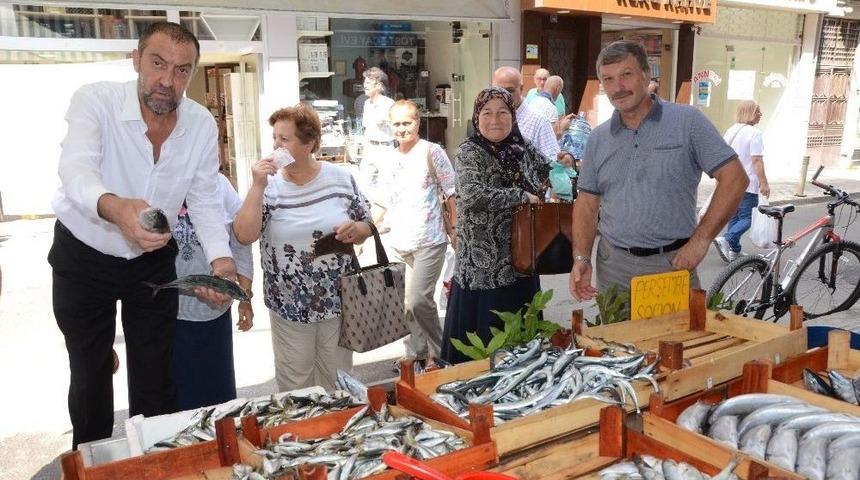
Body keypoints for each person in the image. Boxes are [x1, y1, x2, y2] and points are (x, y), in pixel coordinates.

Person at [49, 21, 236, 449]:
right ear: (136, 60)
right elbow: (75, 171)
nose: (167, 81)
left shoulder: (201, 124)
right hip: (83, 256)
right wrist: (115, 208)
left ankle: (155, 462)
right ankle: (91, 464)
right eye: (157, 63)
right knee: (91, 374)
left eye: (182, 70)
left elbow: (206, 195)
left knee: (155, 377)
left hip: (151, 259)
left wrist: (221, 262)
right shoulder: (96, 100)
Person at [569, 40, 748, 303]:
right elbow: (586, 203)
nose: (617, 87)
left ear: (646, 75)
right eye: (608, 79)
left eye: (626, 75)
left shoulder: (687, 122)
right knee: (616, 342)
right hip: (613, 267)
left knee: (671, 342)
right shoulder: (598, 138)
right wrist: (582, 258)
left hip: (671, 264)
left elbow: (735, 178)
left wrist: (701, 241)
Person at [233, 105, 372, 392]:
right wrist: (257, 186)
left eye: (285, 139)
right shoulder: (269, 186)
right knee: (296, 384)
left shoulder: (339, 178)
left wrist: (357, 230)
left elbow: (367, 224)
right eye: (275, 137)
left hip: (337, 299)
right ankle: (301, 433)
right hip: (289, 303)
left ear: (308, 144)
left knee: (339, 381)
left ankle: (339, 432)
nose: (276, 145)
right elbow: (244, 235)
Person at [441, 87, 549, 365]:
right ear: (477, 118)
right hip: (483, 268)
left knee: (520, 337)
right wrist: (522, 195)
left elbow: (547, 170)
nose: (495, 119)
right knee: (484, 340)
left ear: (513, 116)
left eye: (503, 112)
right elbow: (474, 195)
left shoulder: (521, 148)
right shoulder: (469, 151)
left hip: (521, 258)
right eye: (487, 113)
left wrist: (564, 164)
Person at [373, 100, 455, 367]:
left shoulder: (432, 152)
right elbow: (383, 201)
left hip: (430, 239)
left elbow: (452, 193)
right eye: (396, 124)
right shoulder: (389, 158)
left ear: (418, 122)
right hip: (399, 241)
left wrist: (456, 230)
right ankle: (416, 352)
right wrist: (366, 231)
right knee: (405, 304)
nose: (401, 128)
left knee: (419, 300)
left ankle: (439, 351)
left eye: (406, 122)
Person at [172, 172, 254, 411]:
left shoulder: (220, 185)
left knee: (218, 404)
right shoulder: (162, 181)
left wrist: (245, 298)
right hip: (168, 318)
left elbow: (240, 241)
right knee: (177, 404)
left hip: (214, 317)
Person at [713, 100, 770, 262]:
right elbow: (757, 160)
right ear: (750, 113)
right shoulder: (755, 133)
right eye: (758, 111)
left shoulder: (731, 130)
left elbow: (722, 158)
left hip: (729, 181)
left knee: (734, 216)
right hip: (748, 183)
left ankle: (734, 250)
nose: (761, 114)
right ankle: (727, 239)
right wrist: (764, 183)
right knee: (748, 217)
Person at [491, 66, 573, 165]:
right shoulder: (487, 120)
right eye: (498, 90)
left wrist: (563, 161)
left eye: (510, 90)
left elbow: (553, 166)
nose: (504, 95)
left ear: (521, 89)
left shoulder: (539, 122)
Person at [359, 66, 396, 212]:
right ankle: (378, 209)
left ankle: (384, 218)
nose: (364, 86)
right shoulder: (367, 103)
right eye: (365, 83)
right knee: (363, 182)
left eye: (368, 83)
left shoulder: (389, 103)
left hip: (384, 147)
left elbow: (396, 127)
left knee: (386, 182)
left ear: (378, 85)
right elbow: (366, 126)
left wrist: (385, 122)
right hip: (369, 146)